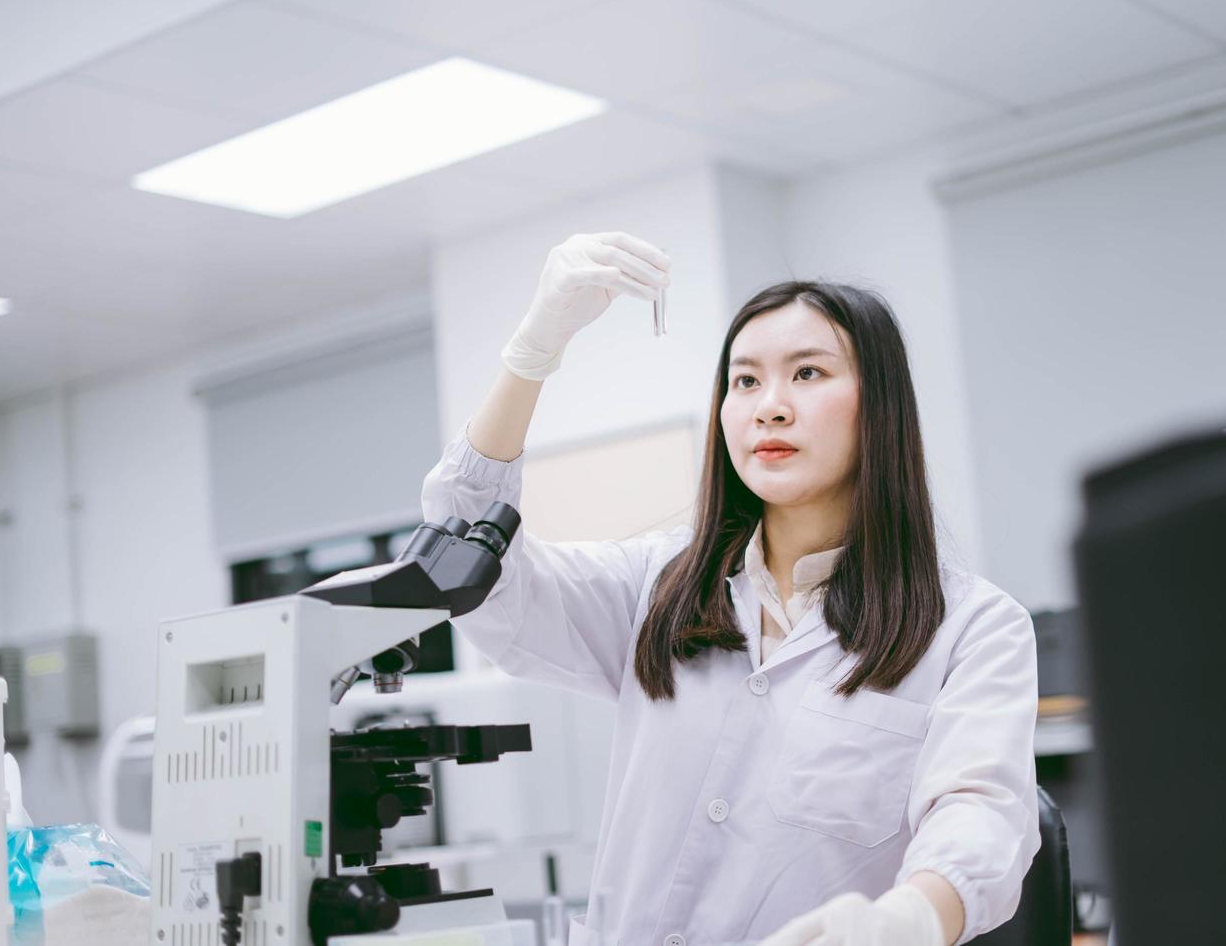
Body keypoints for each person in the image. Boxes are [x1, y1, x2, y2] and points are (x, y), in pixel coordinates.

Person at [421, 233, 1041, 946]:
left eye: (807, 374)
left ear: (881, 405)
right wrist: (533, 351)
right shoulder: (655, 588)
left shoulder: (971, 628)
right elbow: (460, 559)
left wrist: (908, 919)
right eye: (744, 381)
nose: (768, 407)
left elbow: (982, 816)